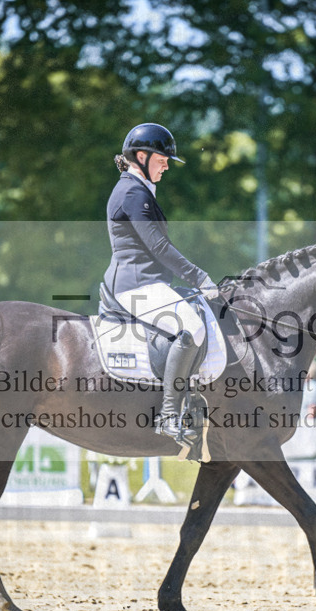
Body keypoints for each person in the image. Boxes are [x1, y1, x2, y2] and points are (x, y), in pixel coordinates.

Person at [102, 123, 220, 444]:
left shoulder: (137, 189)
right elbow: (158, 247)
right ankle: (169, 414)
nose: (167, 165)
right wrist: (200, 277)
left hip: (146, 281)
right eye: (162, 159)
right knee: (191, 328)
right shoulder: (132, 192)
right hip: (134, 285)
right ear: (141, 156)